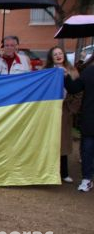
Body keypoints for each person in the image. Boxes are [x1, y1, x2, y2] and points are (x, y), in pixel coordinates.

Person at [47, 46, 80, 184]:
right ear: (51, 57)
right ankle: (48, 170)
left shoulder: (72, 71)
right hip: (48, 110)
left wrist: (65, 77)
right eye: (55, 54)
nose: (58, 56)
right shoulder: (47, 71)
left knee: (63, 141)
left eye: (60, 53)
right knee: (49, 140)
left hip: (64, 110)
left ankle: (64, 172)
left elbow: (77, 90)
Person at [64, 54, 94, 192]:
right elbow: (74, 88)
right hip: (90, 117)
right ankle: (87, 179)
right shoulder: (89, 71)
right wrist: (66, 76)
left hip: (89, 117)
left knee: (87, 147)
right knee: (87, 148)